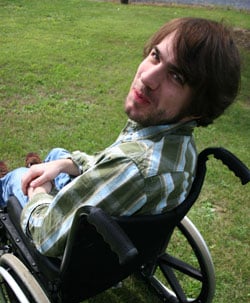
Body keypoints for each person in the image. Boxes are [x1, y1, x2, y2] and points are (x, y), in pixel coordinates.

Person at [0, 17, 241, 257]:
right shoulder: (178, 145)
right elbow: (110, 164)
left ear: (198, 107)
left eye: (176, 77)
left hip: (71, 244)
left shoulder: (135, 167)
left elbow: (46, 236)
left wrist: (39, 192)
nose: (147, 78)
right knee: (56, 155)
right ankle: (48, 168)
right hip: (114, 215)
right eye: (156, 56)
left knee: (18, 178)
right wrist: (63, 165)